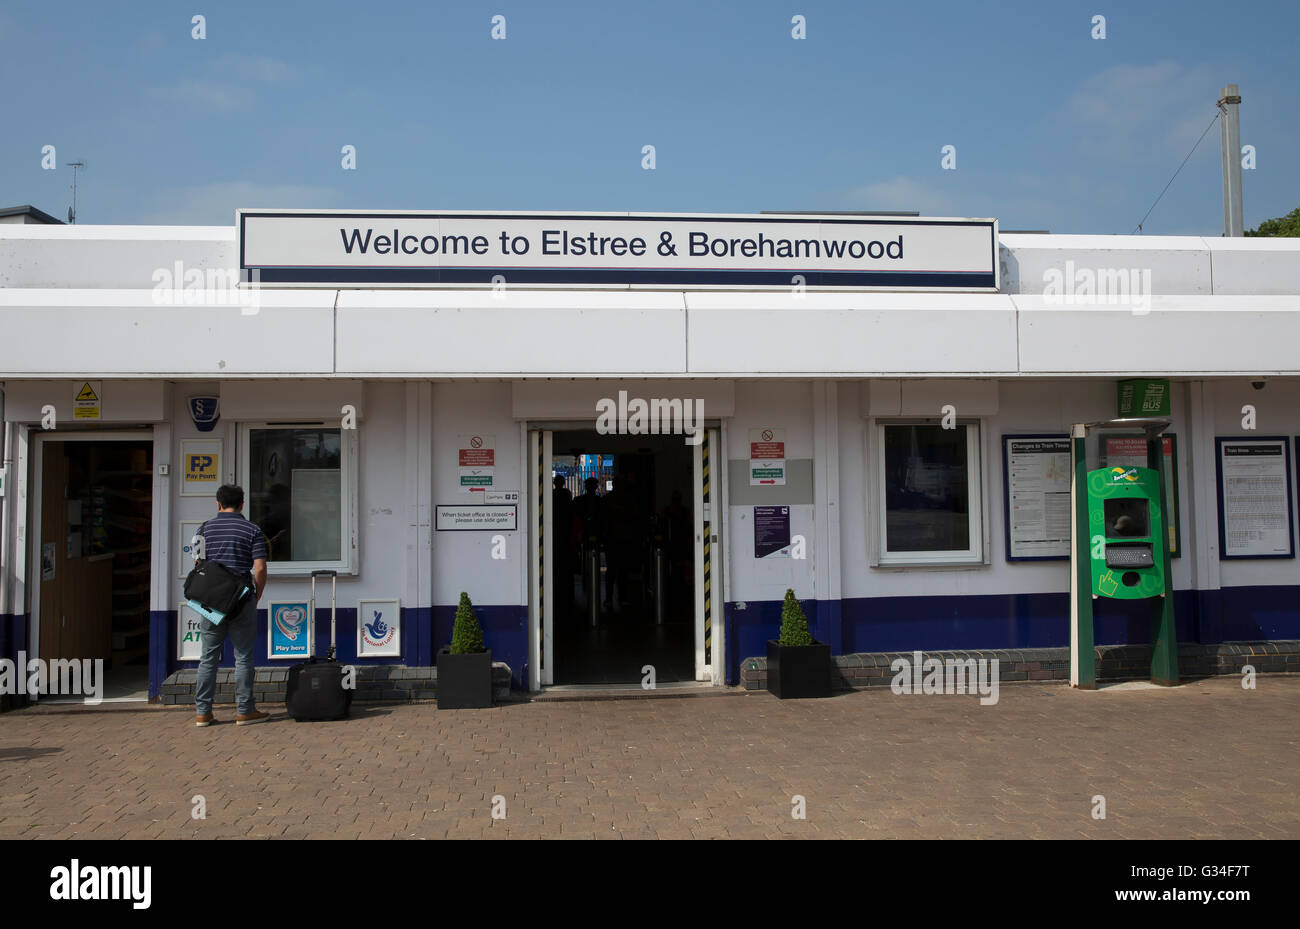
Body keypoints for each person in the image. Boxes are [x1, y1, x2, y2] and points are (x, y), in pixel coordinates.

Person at [194, 484, 270, 727]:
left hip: (210, 602)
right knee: (244, 657)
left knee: (208, 657)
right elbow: (259, 568)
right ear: (242, 504)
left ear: (218, 504)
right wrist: (256, 596)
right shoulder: (252, 530)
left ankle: (203, 713)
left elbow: (197, 564)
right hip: (241, 600)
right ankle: (244, 710)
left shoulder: (203, 529)